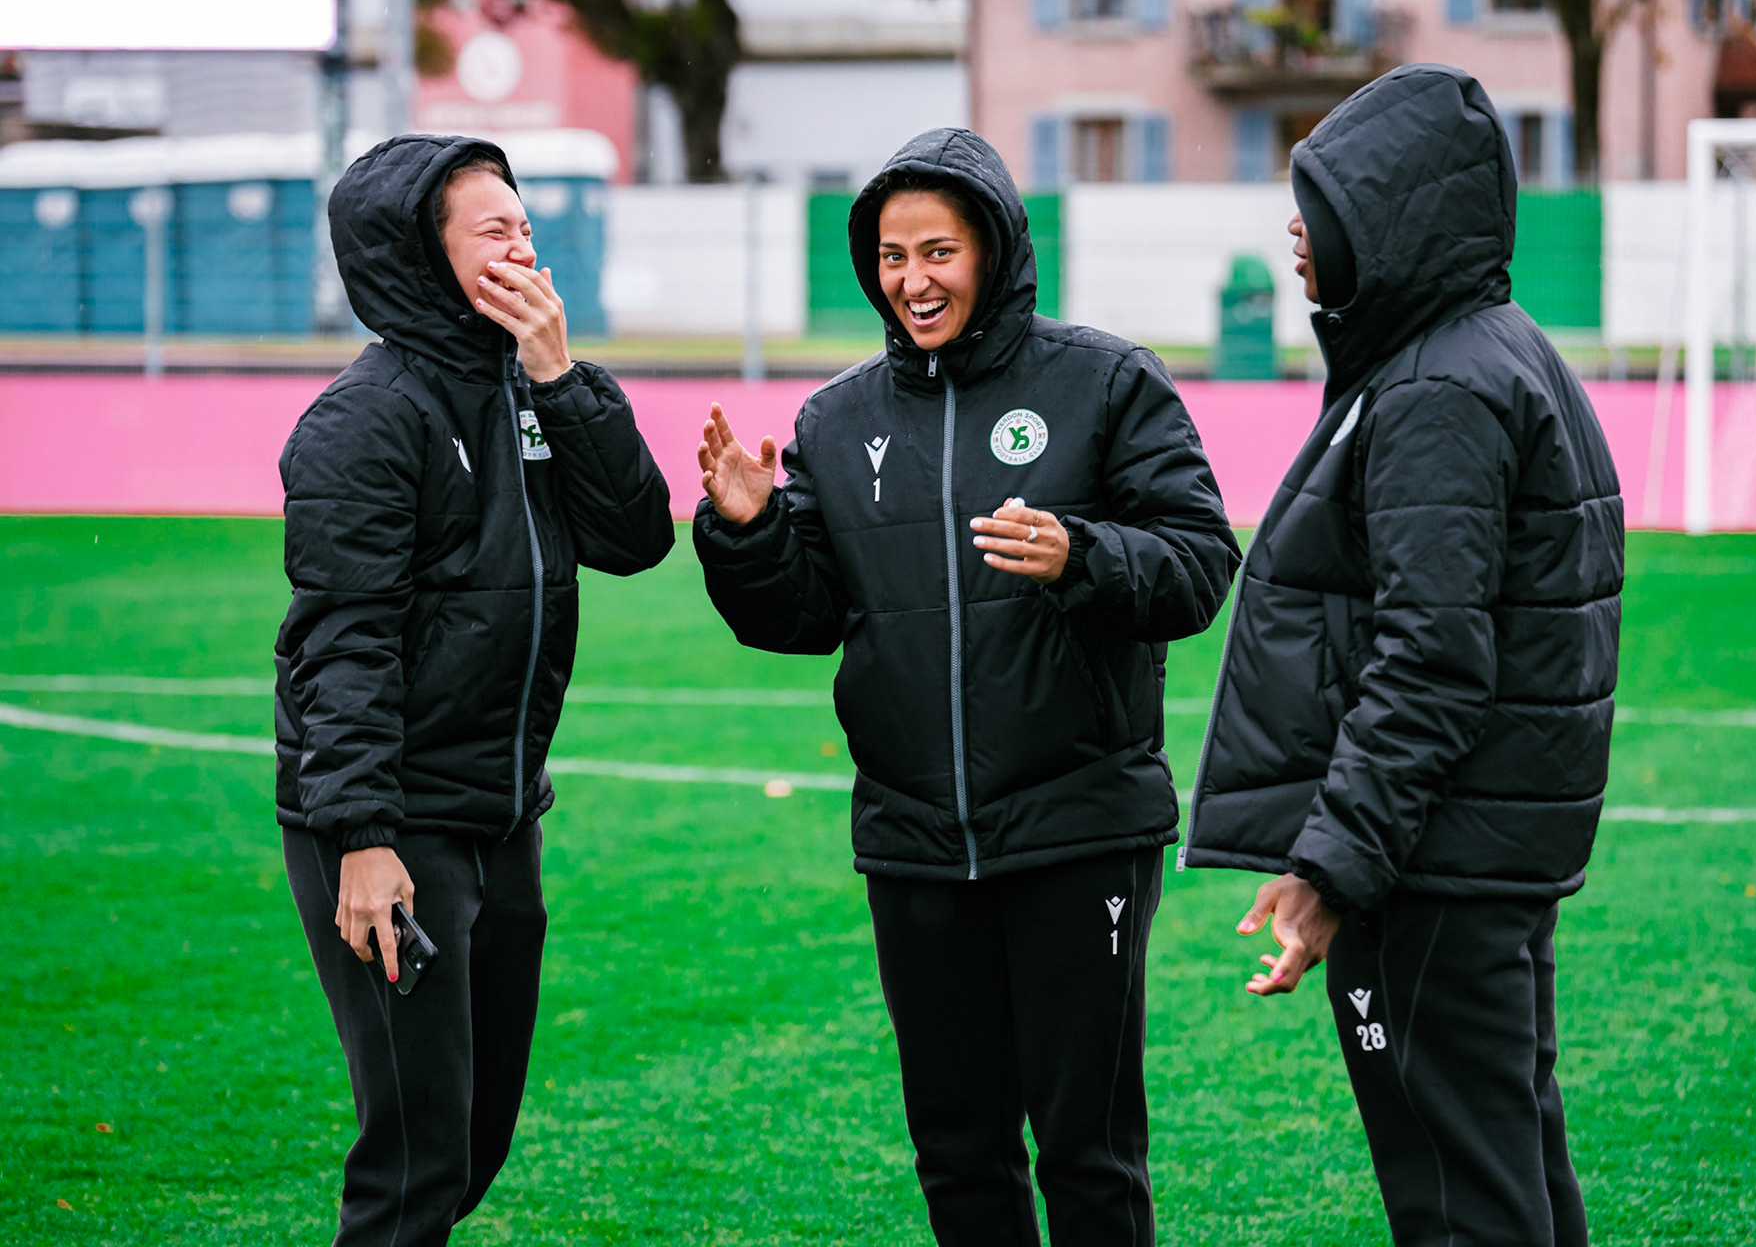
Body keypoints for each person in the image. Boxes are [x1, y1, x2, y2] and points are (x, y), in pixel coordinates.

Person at [692, 128, 1239, 1246]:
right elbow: (798, 614)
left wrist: (1083, 555)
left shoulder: (1106, 381)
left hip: (1078, 825)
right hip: (913, 839)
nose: (914, 279)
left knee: (1087, 1150)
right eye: (892, 256)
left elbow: (1199, 561)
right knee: (957, 1149)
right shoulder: (837, 421)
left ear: (991, 249)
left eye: (937, 250)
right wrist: (746, 531)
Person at [1184, 65, 1623, 1247]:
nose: (1294, 226)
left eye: (1322, 202)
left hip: (1440, 867)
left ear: (1395, 215)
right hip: (1479, 858)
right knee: (1510, 1171)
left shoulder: (1441, 384)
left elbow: (1430, 658)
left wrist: (1331, 864)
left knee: (1460, 1200)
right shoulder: (1485, 352)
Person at [274, 135, 673, 1246]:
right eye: (495, 230)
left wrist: (560, 374)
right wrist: (361, 835)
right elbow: (341, 644)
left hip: (501, 817)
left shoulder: (529, 385)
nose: (525, 248)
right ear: (421, 252)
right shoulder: (365, 421)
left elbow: (637, 534)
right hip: (391, 828)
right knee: (414, 1158)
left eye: (526, 227)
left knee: (473, 1138)